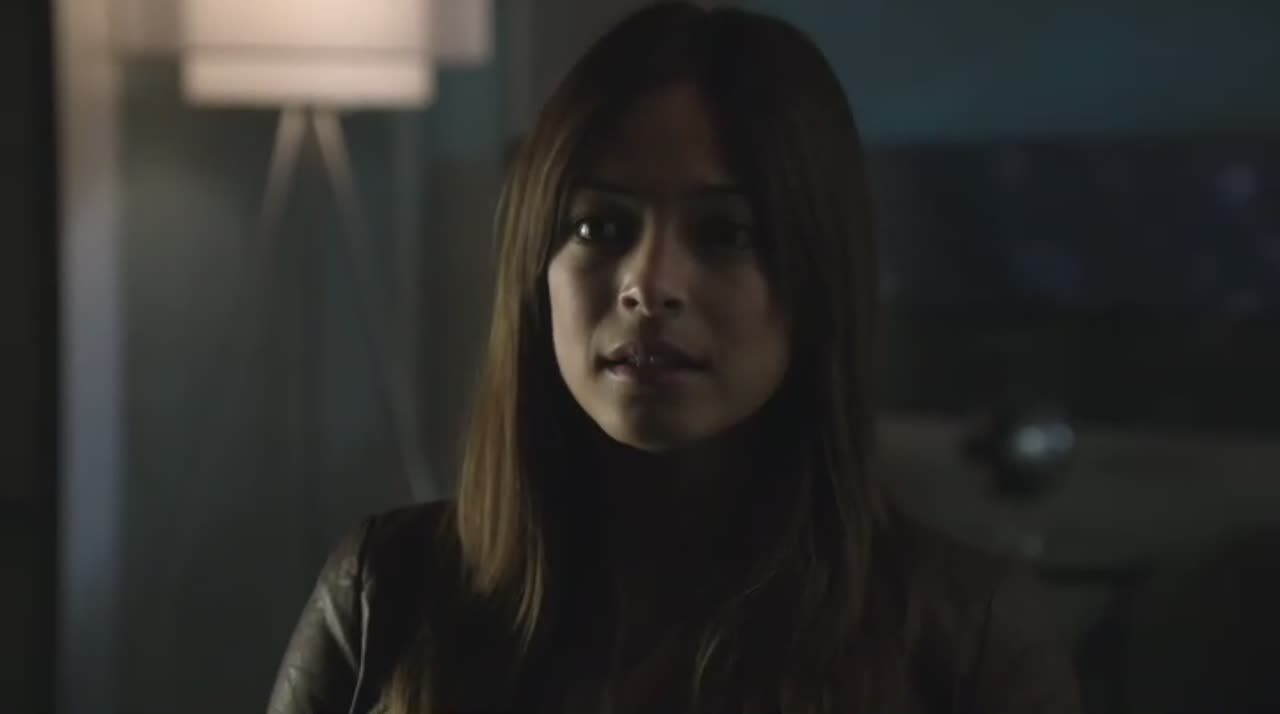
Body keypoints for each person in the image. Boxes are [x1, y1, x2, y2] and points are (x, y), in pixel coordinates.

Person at [267, 3, 1082, 713]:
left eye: (723, 234)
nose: (649, 286)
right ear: (535, 270)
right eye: (599, 227)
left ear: (817, 276)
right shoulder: (387, 593)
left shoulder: (968, 638)